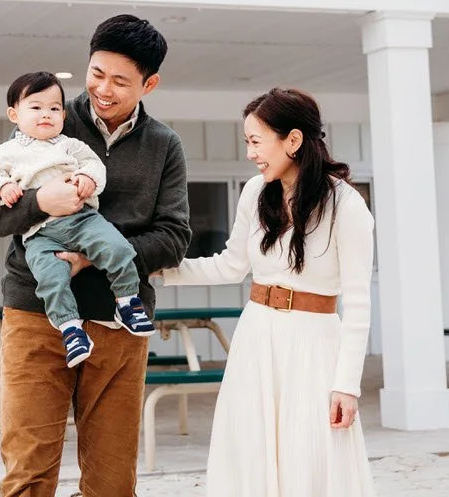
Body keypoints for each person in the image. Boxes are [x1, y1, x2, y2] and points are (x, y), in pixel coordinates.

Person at [0, 14, 191, 497]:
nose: (103, 89)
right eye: (97, 73)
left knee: (113, 483)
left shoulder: (164, 145)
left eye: (120, 80)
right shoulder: (47, 115)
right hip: (37, 317)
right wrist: (38, 203)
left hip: (120, 326)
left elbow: (175, 238)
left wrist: (93, 257)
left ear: (149, 83)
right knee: (28, 472)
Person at [158, 87, 377, 497]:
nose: (250, 153)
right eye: (248, 142)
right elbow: (231, 264)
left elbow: (359, 301)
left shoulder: (346, 205)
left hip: (314, 344)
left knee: (310, 453)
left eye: (256, 141)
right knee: (248, 451)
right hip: (257, 337)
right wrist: (164, 270)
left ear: (293, 141)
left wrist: (347, 384)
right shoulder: (254, 192)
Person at [0, 70, 157, 368]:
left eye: (54, 108)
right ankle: (70, 328)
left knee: (116, 246)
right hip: (40, 233)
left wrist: (88, 178)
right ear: (14, 114)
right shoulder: (7, 151)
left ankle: (127, 301)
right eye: (35, 108)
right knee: (50, 278)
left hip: (83, 219)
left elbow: (93, 165)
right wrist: (4, 188)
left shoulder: (69, 145)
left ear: (64, 113)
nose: (45, 115)